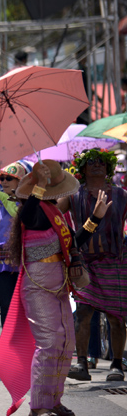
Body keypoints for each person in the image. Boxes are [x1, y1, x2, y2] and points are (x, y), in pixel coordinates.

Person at [0, 160, 108, 416]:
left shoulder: (55, 213)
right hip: (37, 285)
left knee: (65, 342)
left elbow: (74, 242)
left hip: (59, 283)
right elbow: (26, 217)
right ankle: (38, 406)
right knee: (49, 344)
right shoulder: (33, 210)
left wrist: (95, 218)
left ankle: (53, 400)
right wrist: (40, 186)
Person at [63, 149, 127, 382]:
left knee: (116, 316)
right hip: (84, 262)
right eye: (91, 162)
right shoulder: (72, 195)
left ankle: (117, 364)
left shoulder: (121, 194)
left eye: (102, 162)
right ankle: (81, 363)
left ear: (109, 168)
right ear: (82, 169)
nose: (97, 165)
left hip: (115, 262)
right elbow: (51, 214)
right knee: (83, 312)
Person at [0, 162, 26, 327]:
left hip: (24, 263)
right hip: (1, 264)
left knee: (26, 309)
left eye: (10, 178)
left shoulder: (26, 204)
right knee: (7, 310)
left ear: (20, 182)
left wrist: (6, 199)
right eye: (2, 178)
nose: (5, 181)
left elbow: (20, 219)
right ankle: (9, 350)